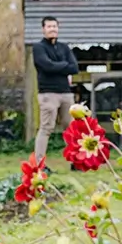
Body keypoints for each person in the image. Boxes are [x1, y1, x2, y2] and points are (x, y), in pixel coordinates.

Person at [32, 17, 79, 160]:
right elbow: (46, 66)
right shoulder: (38, 48)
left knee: (71, 129)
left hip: (66, 94)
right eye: (49, 26)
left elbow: (75, 68)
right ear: (43, 29)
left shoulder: (64, 47)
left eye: (54, 26)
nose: (52, 29)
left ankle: (76, 161)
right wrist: (64, 66)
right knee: (46, 128)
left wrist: (56, 66)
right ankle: (39, 164)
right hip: (48, 94)